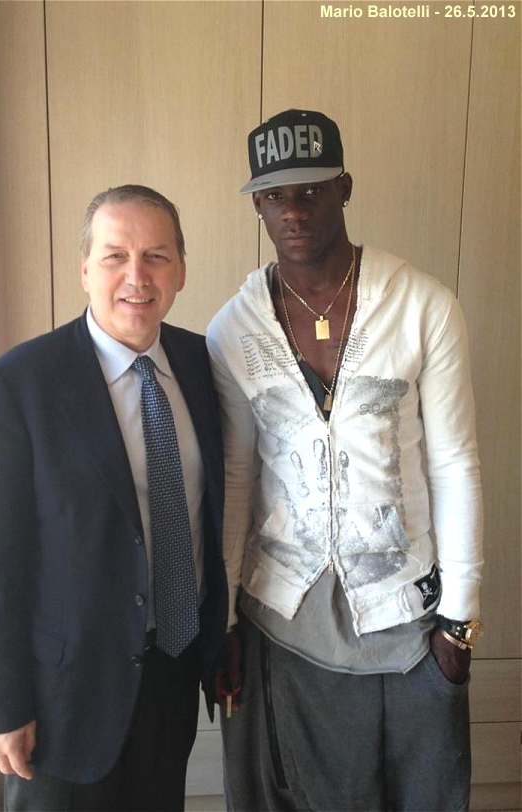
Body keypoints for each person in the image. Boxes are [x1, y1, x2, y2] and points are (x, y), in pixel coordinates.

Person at [207, 110, 484, 811]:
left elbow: (455, 463)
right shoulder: (235, 328)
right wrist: (226, 617)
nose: (293, 211)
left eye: (311, 190)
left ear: (345, 187)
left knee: (416, 791)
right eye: (274, 195)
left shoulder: (422, 306)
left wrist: (460, 617)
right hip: (282, 611)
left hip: (405, 612)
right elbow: (238, 475)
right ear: (258, 204)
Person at [0, 184, 228, 812]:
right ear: (85, 270)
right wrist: (0, 706)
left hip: (172, 670)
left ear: (180, 270)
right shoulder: (19, 384)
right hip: (64, 695)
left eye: (156, 256)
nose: (137, 276)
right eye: (115, 256)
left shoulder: (204, 364)